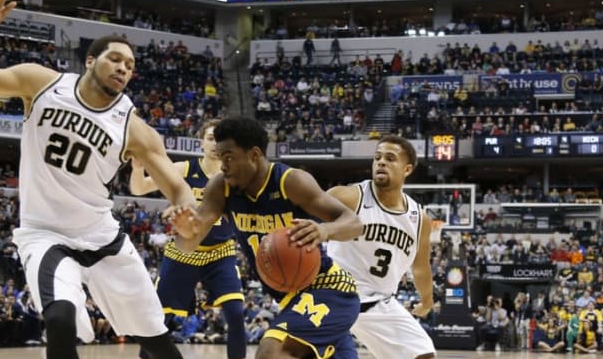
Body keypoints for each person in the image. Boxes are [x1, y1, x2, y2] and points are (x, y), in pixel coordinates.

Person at [0, 0, 198, 359]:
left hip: (103, 238)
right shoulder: (40, 83)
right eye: (115, 59)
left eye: (130, 66)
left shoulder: (134, 128)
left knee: (157, 342)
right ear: (90, 61)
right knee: (59, 317)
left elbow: (176, 185)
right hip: (45, 234)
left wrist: (186, 211)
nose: (124, 68)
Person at [168, 117, 364, 359]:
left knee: (271, 350)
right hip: (290, 300)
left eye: (229, 157)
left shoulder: (290, 181)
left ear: (254, 154)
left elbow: (354, 223)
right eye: (220, 158)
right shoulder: (222, 186)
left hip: (329, 288)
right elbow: (189, 242)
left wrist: (325, 231)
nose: (223, 166)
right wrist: (187, 232)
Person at [131, 119, 246, 359]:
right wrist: (137, 168)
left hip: (220, 253)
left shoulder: (236, 176)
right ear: (201, 142)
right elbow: (139, 188)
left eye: (221, 139)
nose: (216, 144)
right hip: (183, 251)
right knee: (158, 317)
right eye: (211, 138)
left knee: (235, 313)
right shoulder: (185, 168)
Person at [325, 135, 436, 359]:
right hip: (333, 297)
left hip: (378, 303)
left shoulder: (419, 218)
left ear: (407, 169)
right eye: (377, 157)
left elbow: (421, 267)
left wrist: (426, 302)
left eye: (390, 158)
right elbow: (301, 213)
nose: (381, 162)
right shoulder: (348, 197)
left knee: (424, 355)